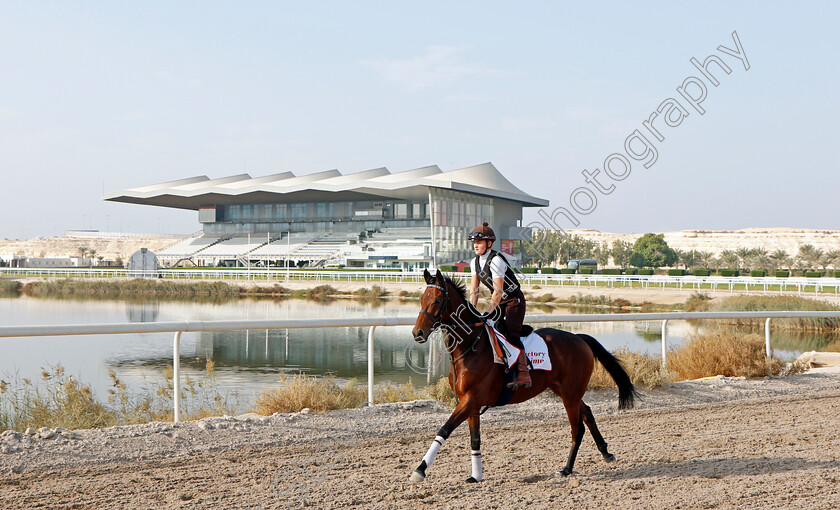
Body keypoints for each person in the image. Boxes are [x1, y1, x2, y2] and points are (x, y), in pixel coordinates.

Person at [467, 222, 531, 389]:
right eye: (474, 243)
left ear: (489, 244)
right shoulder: (474, 262)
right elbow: (474, 290)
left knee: (511, 334)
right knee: (487, 331)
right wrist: (470, 311)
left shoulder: (496, 260)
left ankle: (523, 372)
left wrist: (487, 312)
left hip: (513, 301)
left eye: (479, 242)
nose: (476, 245)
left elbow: (497, 291)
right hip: (500, 302)